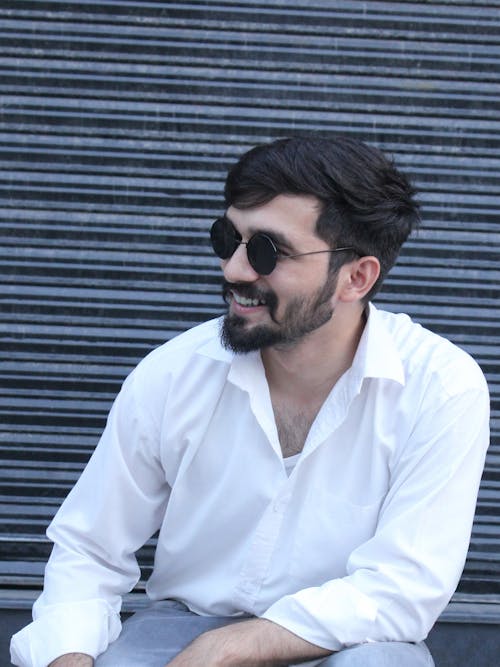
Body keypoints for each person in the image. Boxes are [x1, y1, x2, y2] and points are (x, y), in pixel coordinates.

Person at [11, 136, 489, 667]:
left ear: (356, 277)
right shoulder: (175, 373)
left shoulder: (440, 387)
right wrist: (68, 658)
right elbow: (90, 549)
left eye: (268, 251)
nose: (235, 270)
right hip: (178, 629)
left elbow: (404, 587)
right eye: (228, 239)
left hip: (347, 636)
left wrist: (232, 647)